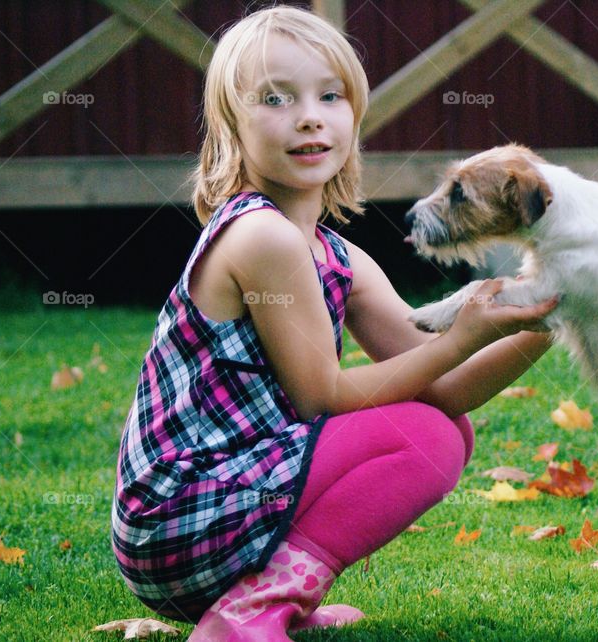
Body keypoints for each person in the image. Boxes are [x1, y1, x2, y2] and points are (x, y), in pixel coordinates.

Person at [109, 6, 557, 641]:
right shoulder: (260, 235)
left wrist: (542, 319)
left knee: (445, 429)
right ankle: (250, 611)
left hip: (238, 504)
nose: (309, 115)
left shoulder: (337, 256)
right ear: (232, 121)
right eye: (275, 98)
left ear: (355, 113)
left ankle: (274, 596)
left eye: (330, 95)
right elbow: (321, 395)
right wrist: (466, 331)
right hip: (181, 517)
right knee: (423, 438)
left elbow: (442, 385)